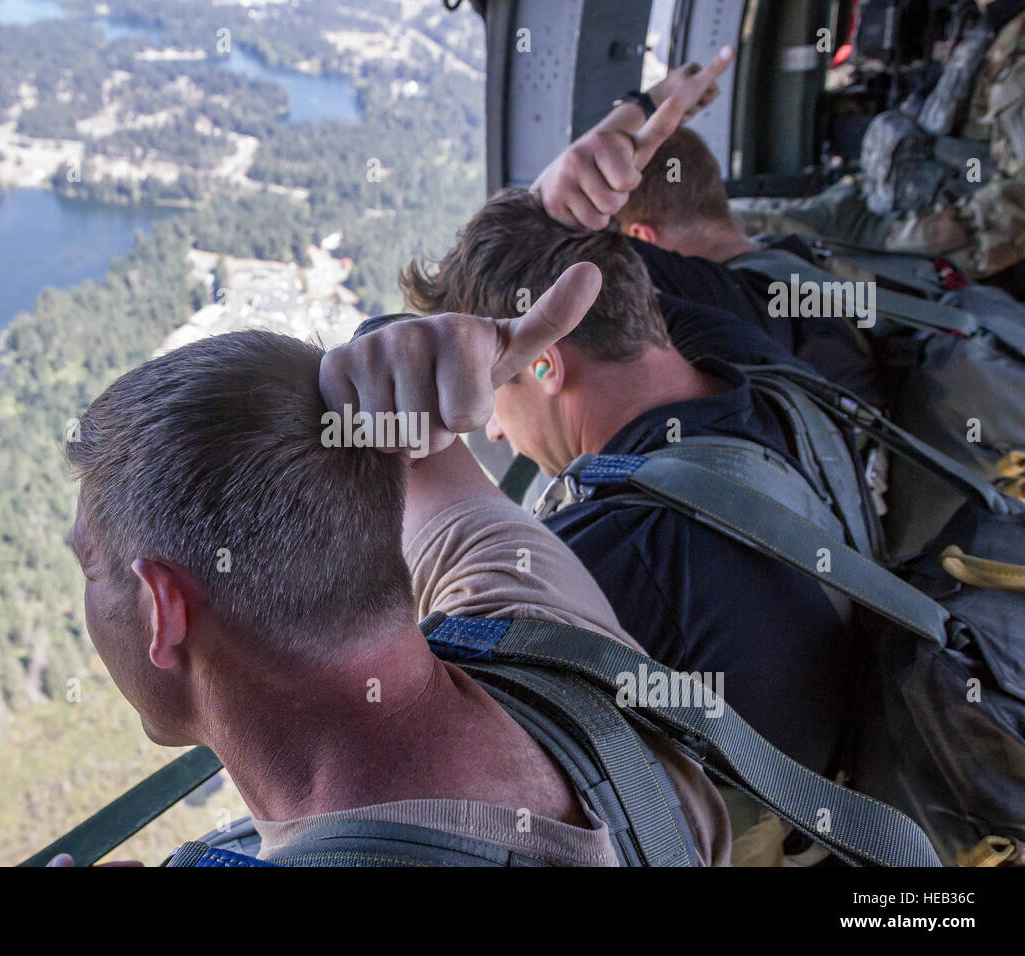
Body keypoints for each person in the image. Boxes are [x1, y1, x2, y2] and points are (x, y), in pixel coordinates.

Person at [61, 266, 731, 866]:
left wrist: (400, 350)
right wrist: (400, 347)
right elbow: (409, 439)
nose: (87, 598)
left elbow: (405, 435)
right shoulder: (540, 623)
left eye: (91, 567)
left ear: (163, 608)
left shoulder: (521, 602)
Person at [399, 193, 859, 786]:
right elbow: (598, 265)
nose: (492, 428)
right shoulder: (757, 367)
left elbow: (408, 735)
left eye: (491, 397)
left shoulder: (611, 555)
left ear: (545, 366)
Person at [532, 57, 884, 404]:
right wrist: (650, 103)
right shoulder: (794, 256)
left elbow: (533, 244)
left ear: (643, 238)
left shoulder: (733, 310)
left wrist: (650, 104)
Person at [728, 0, 1025, 290]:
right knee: (736, 221)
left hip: (916, 236)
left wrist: (926, 245)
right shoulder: (981, 26)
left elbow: (1016, 203)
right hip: (876, 199)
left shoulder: (1014, 50)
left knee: (763, 250)